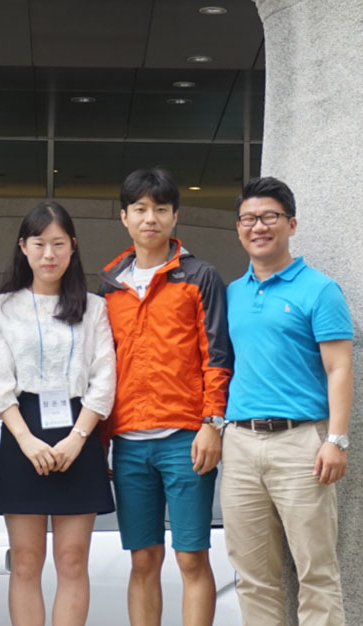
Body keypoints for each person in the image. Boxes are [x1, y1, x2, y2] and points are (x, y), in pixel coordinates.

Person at [99, 167, 232, 626]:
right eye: (139, 209)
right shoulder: (110, 285)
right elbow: (103, 369)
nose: (149, 218)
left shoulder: (199, 276)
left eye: (160, 208)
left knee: (191, 557)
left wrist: (212, 424)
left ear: (175, 216)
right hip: (129, 443)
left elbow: (218, 355)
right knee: (143, 560)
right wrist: (103, 441)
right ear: (124, 217)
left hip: (185, 439)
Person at [222, 176, 354, 626]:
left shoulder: (320, 289)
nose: (258, 227)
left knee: (316, 571)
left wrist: (336, 440)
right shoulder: (233, 293)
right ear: (238, 228)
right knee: (252, 577)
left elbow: (339, 368)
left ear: (291, 224)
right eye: (248, 219)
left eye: (269, 217)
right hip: (240, 444)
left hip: (301, 445)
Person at [0, 201, 116, 626]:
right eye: (39, 244)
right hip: (23, 430)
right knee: (25, 562)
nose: (49, 254)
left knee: (73, 560)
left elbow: (104, 376)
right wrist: (26, 440)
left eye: (58, 244)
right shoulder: (1, 307)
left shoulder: (94, 307)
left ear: (73, 247)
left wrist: (78, 438)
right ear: (23, 247)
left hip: (79, 430)